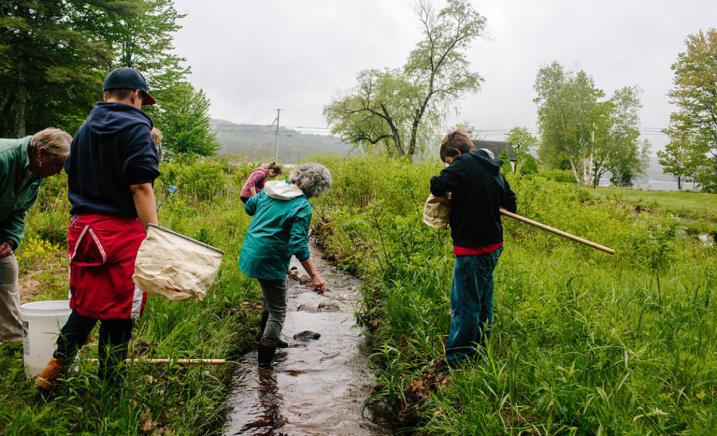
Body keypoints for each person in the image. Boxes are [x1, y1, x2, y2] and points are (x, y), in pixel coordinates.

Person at [35, 67, 160, 393]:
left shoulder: (85, 129)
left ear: (107, 95)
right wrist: (156, 236)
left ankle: (52, 370)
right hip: (119, 234)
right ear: (136, 94)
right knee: (119, 313)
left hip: (83, 233)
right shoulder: (136, 128)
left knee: (86, 304)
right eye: (143, 100)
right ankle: (111, 387)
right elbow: (140, 188)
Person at [429, 130, 517, 366]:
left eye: (449, 161)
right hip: (494, 247)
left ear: (456, 153)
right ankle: (479, 351)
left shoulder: (465, 162)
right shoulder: (492, 166)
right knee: (482, 301)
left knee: (464, 304)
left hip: (472, 249)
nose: (450, 166)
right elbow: (511, 203)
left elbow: (437, 185)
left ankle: (458, 359)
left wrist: (452, 184)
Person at [239, 163, 332, 368]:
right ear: (316, 189)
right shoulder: (302, 205)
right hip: (271, 258)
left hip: (252, 252)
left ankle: (267, 337)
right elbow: (298, 244)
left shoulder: (272, 189)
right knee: (278, 312)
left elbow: (249, 207)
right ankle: (264, 367)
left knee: (272, 297)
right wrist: (315, 276)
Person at [1, 128, 72, 344]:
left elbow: (18, 210)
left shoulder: (35, 172)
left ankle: (12, 341)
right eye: (58, 166)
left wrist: (10, 239)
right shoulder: (4, 159)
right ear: (41, 154)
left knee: (6, 269)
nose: (59, 172)